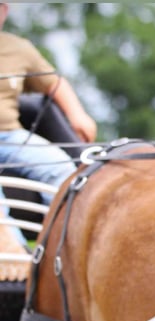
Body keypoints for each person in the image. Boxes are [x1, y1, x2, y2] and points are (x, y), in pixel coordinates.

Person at [0, 2, 96, 278]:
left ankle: (75, 248)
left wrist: (78, 115)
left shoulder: (18, 49)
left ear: (4, 11)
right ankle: (14, 262)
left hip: (11, 136)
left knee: (61, 169)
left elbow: (53, 82)